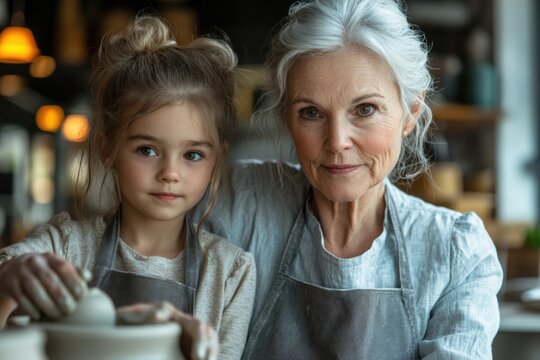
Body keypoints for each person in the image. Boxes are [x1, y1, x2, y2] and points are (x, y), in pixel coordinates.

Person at [194, 0, 503, 358]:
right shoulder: (238, 203)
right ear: (287, 119)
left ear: (410, 114)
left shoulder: (455, 255)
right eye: (310, 112)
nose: (337, 140)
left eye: (365, 109)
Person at [0, 15, 256, 360]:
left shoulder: (229, 271)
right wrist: (11, 276)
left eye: (193, 154)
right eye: (147, 150)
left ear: (216, 161)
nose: (169, 172)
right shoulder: (63, 247)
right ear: (107, 149)